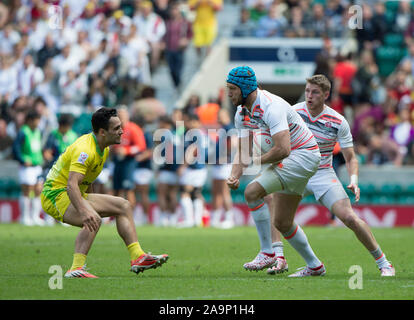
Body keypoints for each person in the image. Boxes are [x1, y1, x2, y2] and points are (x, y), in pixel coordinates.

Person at [267, 74, 395, 277]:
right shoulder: (292, 112)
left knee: (349, 218)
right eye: (307, 91)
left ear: (326, 94)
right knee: (281, 221)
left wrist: (354, 181)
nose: (309, 96)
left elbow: (351, 158)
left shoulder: (338, 121)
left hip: (321, 173)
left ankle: (384, 263)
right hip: (295, 172)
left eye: (315, 92)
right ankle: (312, 265)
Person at [40, 107, 168, 278]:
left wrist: (89, 202)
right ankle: (75, 268)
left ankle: (137, 256)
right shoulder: (85, 150)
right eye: (116, 128)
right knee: (93, 218)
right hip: (55, 195)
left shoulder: (104, 147)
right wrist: (85, 210)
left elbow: (87, 180)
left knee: (123, 205)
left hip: (72, 191)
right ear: (102, 132)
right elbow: (72, 184)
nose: (122, 131)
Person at [226, 66, 325, 277]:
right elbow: (243, 151)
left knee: (252, 193)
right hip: (296, 159)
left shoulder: (272, 106)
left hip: (303, 155)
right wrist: (235, 174)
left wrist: (254, 161)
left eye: (232, 88)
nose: (229, 93)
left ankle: (268, 252)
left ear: (245, 89)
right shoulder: (241, 113)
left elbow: (283, 149)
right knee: (282, 222)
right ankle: (315, 266)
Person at [42, 113, 78, 225]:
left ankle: (65, 218)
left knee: (67, 193)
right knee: (52, 192)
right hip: (54, 170)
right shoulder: (53, 135)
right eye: (66, 126)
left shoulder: (73, 136)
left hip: (68, 170)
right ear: (61, 125)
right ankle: (49, 218)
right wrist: (50, 158)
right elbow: (46, 152)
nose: (68, 128)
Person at [13, 109, 44, 226]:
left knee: (38, 189)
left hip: (37, 165)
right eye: (37, 120)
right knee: (27, 190)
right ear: (30, 120)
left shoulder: (38, 131)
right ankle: (24, 217)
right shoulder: (23, 132)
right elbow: (15, 148)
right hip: (27, 167)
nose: (38, 122)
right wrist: (22, 160)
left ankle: (35, 216)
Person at [178, 113, 209, 227]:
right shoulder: (200, 134)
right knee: (196, 193)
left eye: (190, 121)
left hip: (193, 169)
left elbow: (193, 150)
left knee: (185, 193)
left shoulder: (195, 134)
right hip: (200, 169)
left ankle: (189, 220)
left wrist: (183, 166)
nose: (188, 124)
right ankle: (196, 220)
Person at [111, 107, 146, 208]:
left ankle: (131, 215)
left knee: (128, 189)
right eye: (119, 115)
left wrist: (127, 151)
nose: (121, 117)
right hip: (117, 161)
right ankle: (116, 215)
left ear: (127, 116)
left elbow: (140, 146)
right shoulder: (115, 129)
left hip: (128, 162)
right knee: (116, 189)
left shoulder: (133, 129)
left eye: (123, 115)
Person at [156, 115, 181, 226]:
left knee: (162, 194)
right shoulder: (176, 134)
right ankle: (173, 217)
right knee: (172, 194)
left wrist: (161, 165)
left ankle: (163, 217)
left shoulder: (165, 134)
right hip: (176, 168)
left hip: (166, 168)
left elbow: (166, 153)